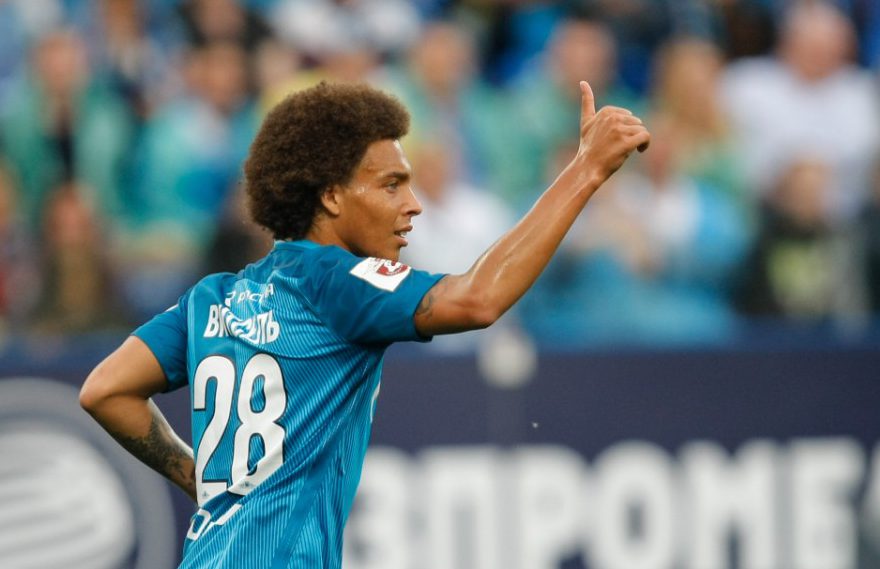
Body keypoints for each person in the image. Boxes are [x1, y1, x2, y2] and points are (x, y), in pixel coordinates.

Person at [79, 81, 649, 568]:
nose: (414, 204)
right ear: (330, 196)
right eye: (391, 184)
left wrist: (201, 482)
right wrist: (586, 171)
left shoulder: (213, 297)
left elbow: (106, 390)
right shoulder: (336, 283)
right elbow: (478, 299)